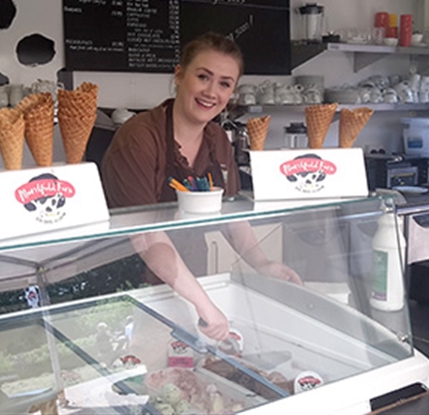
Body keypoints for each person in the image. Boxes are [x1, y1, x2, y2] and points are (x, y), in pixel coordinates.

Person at [101, 32, 301, 341]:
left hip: (194, 281)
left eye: (224, 84)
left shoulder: (217, 140)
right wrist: (203, 303)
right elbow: (146, 236)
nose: (211, 92)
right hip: (136, 295)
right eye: (203, 77)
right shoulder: (139, 138)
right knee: (145, 366)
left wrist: (262, 263)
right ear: (179, 75)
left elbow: (231, 216)